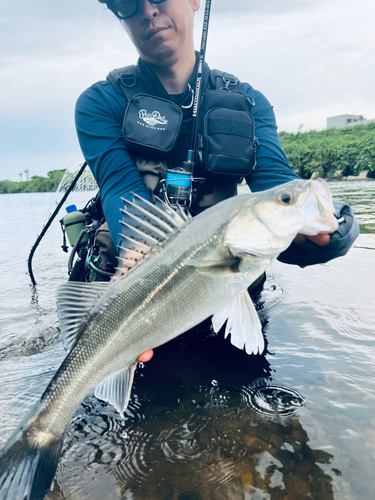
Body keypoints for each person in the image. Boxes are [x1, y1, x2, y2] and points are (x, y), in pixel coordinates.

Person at [75, 0, 359, 362]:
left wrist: (334, 225)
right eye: (129, 3)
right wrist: (137, 267)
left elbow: (276, 181)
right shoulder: (100, 102)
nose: (148, 11)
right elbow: (120, 187)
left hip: (229, 290)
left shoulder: (249, 102)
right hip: (140, 306)